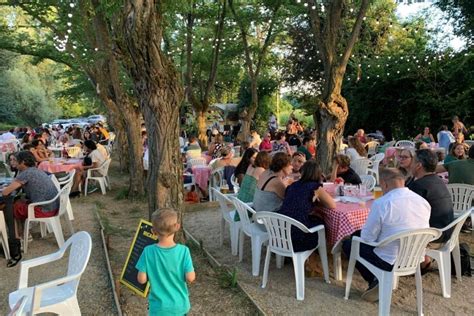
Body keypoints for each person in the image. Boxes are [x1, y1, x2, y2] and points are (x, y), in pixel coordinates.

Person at [342, 168, 431, 302]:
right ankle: (377, 280)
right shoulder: (422, 202)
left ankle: (374, 278)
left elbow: (367, 238)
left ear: (384, 183)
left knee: (349, 244)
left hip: (388, 260)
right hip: (414, 257)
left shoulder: (382, 203)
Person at [279, 160, 336, 273]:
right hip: (298, 238)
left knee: (312, 219)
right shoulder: (315, 187)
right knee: (321, 223)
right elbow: (332, 205)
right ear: (318, 174)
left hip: (280, 233)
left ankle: (310, 259)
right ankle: (315, 257)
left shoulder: (293, 185)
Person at [136, 208, 195, 315]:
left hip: (158, 308)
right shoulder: (184, 251)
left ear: (153, 231)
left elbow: (141, 280)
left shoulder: (148, 251)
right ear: (177, 226)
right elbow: (190, 278)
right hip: (179, 306)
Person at [408, 149, 454, 244]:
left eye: (412, 162)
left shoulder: (419, 186)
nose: (410, 165)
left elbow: (407, 214)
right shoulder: (438, 180)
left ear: (418, 165)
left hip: (433, 237)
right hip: (445, 231)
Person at [235, 151, 271, 220]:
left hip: (240, 202)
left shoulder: (250, 166)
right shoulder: (262, 170)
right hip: (249, 205)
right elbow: (267, 187)